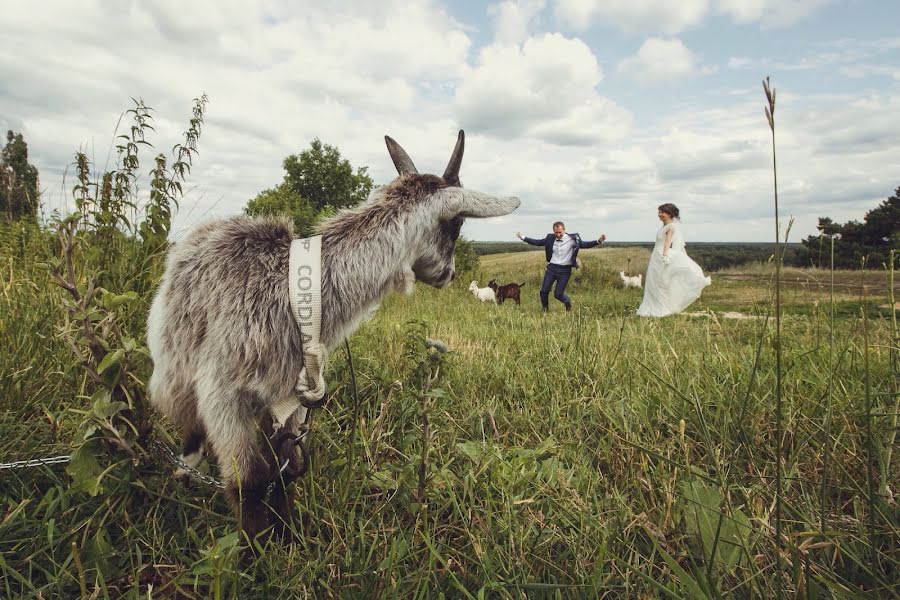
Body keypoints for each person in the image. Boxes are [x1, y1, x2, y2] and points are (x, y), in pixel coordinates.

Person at [636, 203, 711, 317]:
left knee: (661, 282)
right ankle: (652, 306)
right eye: (659, 212)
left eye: (662, 212)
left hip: (661, 255)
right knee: (654, 283)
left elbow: (668, 242)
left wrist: (665, 256)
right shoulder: (664, 226)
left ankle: (660, 308)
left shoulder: (671, 226)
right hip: (656, 256)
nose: (659, 214)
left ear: (670, 214)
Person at [516, 222, 605, 312]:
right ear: (553, 231)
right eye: (556, 232)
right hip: (552, 268)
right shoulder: (550, 238)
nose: (558, 235)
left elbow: (585, 244)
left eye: (560, 232)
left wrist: (598, 241)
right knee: (543, 291)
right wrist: (523, 238)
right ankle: (545, 310)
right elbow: (538, 242)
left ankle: (567, 302)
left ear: (564, 230)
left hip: (565, 270)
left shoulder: (573, 238)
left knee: (558, 294)